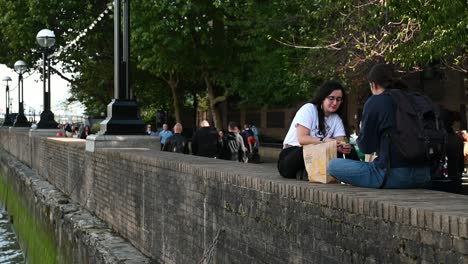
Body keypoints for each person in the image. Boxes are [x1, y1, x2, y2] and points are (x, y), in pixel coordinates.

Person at [328, 63, 431, 188]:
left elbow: (365, 148)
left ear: (373, 84)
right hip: (425, 174)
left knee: (333, 165)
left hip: (392, 175)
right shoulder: (417, 100)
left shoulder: (376, 101)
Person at [277, 80, 351, 179]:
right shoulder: (309, 109)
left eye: (339, 99)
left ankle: (308, 172)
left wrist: (342, 147)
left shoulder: (336, 119)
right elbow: (302, 139)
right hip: (293, 155)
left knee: (350, 152)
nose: (335, 103)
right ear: (323, 98)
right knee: (309, 150)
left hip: (318, 157)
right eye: (331, 98)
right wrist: (324, 141)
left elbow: (339, 142)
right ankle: (306, 171)